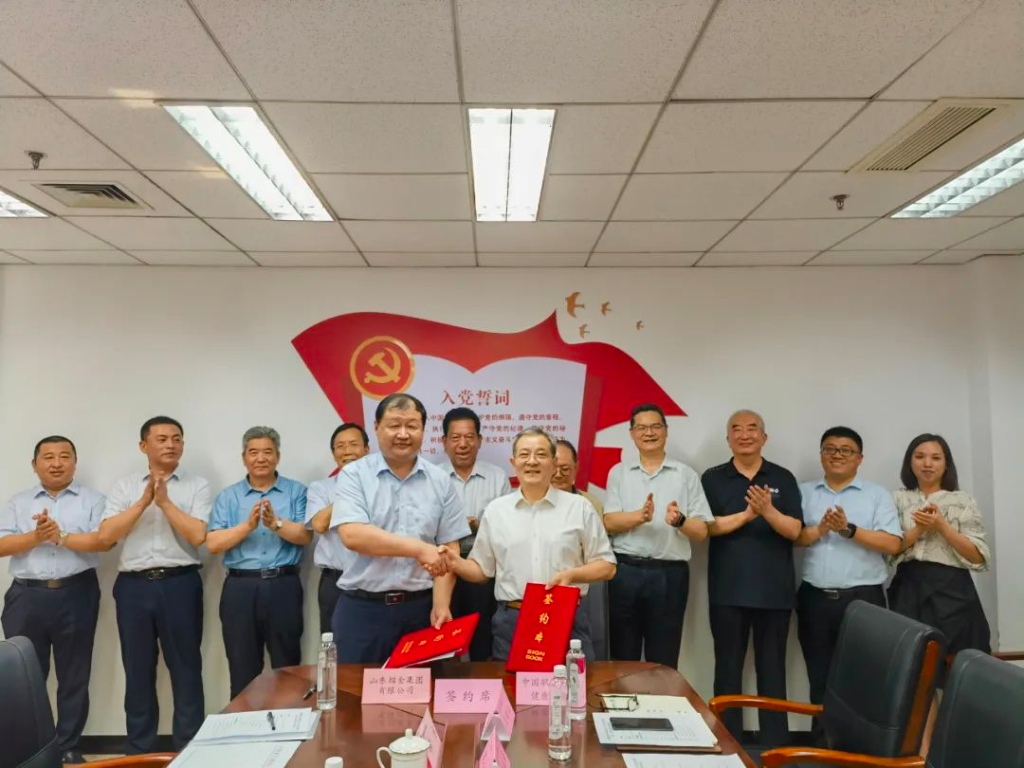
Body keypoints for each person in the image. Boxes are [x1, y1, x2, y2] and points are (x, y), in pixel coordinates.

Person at [446, 427, 617, 660]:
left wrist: (571, 575)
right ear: (513, 462)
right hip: (512, 620)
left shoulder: (579, 507)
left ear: (554, 463)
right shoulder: (497, 511)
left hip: (565, 615)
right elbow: (482, 570)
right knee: (512, 683)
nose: (532, 461)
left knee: (573, 682)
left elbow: (607, 566)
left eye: (541, 454)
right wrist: (454, 562)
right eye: (524, 454)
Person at [98, 416, 210, 754]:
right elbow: (106, 535)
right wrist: (144, 501)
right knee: (137, 670)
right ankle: (140, 749)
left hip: (180, 584)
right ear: (143, 445)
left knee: (186, 668)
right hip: (133, 587)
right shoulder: (125, 487)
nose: (170, 444)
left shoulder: (197, 485)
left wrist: (164, 502)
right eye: (162, 439)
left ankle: (189, 749)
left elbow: (198, 535)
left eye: (177, 438)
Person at [329, 393, 469, 664]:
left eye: (412, 426)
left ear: (423, 430)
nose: (403, 434)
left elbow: (449, 546)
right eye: (394, 425)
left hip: (421, 610)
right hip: (363, 610)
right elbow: (353, 534)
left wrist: (441, 603)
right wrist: (419, 549)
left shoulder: (440, 480)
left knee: (423, 689)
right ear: (377, 427)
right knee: (356, 689)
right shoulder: (354, 475)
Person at [0, 436, 108, 765]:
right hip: (26, 595)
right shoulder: (18, 502)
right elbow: (2, 545)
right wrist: (37, 536)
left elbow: (103, 541)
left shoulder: (94, 500)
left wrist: (61, 536)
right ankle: (29, 747)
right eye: (48, 457)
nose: (56, 463)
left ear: (75, 462)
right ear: (35, 465)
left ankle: (68, 746)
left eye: (64, 456)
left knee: (74, 674)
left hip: (76, 592)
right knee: (24, 675)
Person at [702, 410, 802, 748]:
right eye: (737, 429)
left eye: (752, 429)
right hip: (727, 591)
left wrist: (768, 511)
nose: (744, 435)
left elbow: (795, 530)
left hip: (775, 593)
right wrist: (747, 515)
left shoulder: (783, 477)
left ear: (764, 437)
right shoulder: (713, 478)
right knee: (727, 671)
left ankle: (776, 748)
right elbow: (706, 527)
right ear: (728, 438)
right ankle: (728, 744)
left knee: (772, 672)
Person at [796, 426, 902, 736]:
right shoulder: (803, 492)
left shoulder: (876, 495)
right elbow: (793, 538)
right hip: (815, 599)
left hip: (864, 601)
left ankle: (859, 748)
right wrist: (820, 529)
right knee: (819, 677)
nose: (837, 455)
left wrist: (849, 530)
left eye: (846, 450)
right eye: (830, 449)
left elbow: (892, 543)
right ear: (821, 455)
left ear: (860, 458)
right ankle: (821, 746)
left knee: (864, 679)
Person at [603, 404, 714, 667]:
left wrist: (680, 521)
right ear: (632, 434)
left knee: (664, 658)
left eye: (655, 426)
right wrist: (640, 517)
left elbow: (702, 531)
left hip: (669, 575)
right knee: (622, 655)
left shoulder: (686, 474)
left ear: (666, 431)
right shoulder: (619, 472)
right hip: (625, 571)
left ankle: (662, 697)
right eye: (642, 428)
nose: (649, 433)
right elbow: (609, 521)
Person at [207, 427, 310, 699]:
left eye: (267, 452)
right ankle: (242, 724)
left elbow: (305, 536)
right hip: (240, 588)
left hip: (283, 585)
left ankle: (289, 722)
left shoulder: (296, 492)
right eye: (253, 452)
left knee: (288, 666)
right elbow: (213, 543)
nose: (261, 458)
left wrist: (275, 524)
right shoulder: (229, 496)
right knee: (242, 667)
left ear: (278, 456)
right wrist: (248, 527)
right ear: (244, 458)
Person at [888, 434, 991, 657]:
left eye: (936, 458)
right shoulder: (896, 498)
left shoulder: (963, 500)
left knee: (957, 660)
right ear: (909, 462)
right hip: (908, 587)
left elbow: (978, 556)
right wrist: (919, 529)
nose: (927, 463)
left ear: (946, 464)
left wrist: (942, 526)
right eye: (920, 457)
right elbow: (889, 548)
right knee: (909, 660)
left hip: (953, 589)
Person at [438, 407, 511, 660]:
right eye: (455, 438)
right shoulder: (433, 477)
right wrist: (460, 526)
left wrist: (479, 524)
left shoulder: (497, 476)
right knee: (445, 637)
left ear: (479, 440)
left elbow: (506, 525)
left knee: (483, 637)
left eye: (469, 437)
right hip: (442, 567)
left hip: (483, 566)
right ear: (444, 441)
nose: (463, 444)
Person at [306, 423, 370, 634]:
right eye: (340, 446)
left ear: (367, 450)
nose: (347, 451)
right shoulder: (321, 488)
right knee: (333, 645)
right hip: (335, 582)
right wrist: (350, 492)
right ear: (334, 454)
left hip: (373, 581)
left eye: (354, 444)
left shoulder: (381, 486)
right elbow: (319, 524)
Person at [553, 439, 605, 514]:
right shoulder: (535, 501)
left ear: (576, 468)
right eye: (552, 468)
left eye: (565, 469)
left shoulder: (591, 504)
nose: (558, 475)